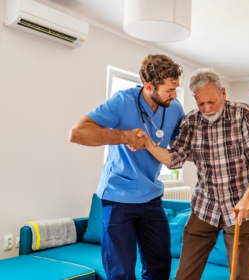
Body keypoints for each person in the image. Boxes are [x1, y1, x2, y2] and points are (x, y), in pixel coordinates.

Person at [131, 68, 249, 280]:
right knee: (184, 276)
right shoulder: (191, 122)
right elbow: (176, 158)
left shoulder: (243, 114)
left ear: (223, 93)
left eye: (212, 101)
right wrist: (149, 145)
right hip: (204, 207)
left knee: (241, 277)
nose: (207, 109)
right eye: (200, 104)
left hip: (240, 209)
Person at [69, 54, 185, 280]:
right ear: (149, 86)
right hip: (117, 197)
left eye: (176, 88)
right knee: (120, 273)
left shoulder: (175, 108)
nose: (174, 95)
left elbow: (180, 149)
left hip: (151, 198)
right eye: (169, 90)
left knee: (160, 268)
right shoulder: (122, 102)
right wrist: (124, 136)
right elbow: (77, 133)